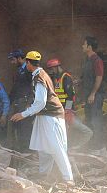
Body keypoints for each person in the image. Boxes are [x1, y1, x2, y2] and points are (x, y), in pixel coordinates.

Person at [10, 51, 74, 182]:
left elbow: (40, 103)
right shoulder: (41, 74)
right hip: (45, 115)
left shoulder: (39, 77)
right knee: (43, 147)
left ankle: (68, 179)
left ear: (28, 63)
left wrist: (23, 114)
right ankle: (44, 174)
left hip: (51, 115)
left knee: (56, 147)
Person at [47, 58, 93, 149]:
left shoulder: (66, 77)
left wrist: (67, 110)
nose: (51, 72)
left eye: (51, 69)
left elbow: (70, 96)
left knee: (85, 131)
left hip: (66, 111)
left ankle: (75, 147)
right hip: (59, 111)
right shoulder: (57, 78)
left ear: (56, 67)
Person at [81, 36, 106, 155]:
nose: (82, 46)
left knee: (96, 121)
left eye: (84, 44)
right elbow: (88, 77)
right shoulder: (87, 60)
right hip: (88, 96)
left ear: (89, 47)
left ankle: (99, 148)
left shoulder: (97, 60)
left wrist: (93, 94)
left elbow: (99, 77)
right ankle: (92, 147)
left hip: (95, 96)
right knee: (89, 120)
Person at [8, 49, 34, 152]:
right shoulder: (19, 71)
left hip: (25, 103)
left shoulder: (28, 70)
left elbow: (32, 88)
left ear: (19, 58)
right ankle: (21, 151)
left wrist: (29, 103)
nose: (12, 63)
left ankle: (27, 151)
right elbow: (15, 88)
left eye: (13, 60)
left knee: (25, 128)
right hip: (18, 103)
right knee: (18, 127)